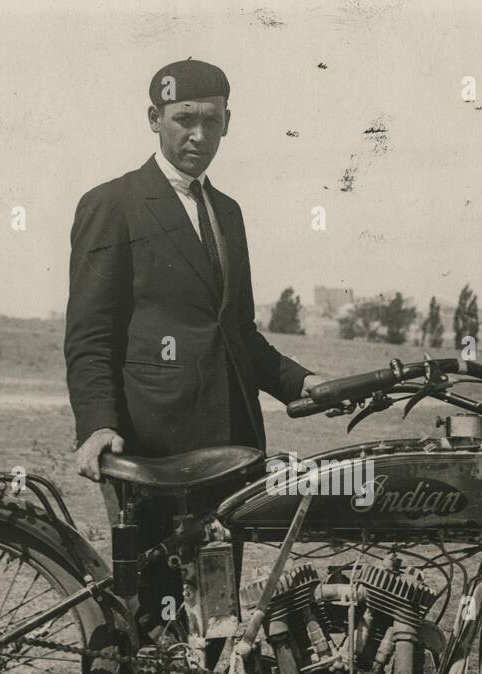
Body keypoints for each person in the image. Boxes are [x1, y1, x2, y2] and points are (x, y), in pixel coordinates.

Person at [63, 58, 323, 632]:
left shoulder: (226, 213)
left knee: (216, 605)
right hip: (152, 447)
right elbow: (90, 333)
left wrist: (302, 382)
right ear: (154, 119)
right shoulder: (112, 205)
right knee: (154, 613)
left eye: (212, 120)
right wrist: (98, 423)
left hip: (230, 446)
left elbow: (239, 336)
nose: (198, 135)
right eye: (184, 119)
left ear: (228, 122)